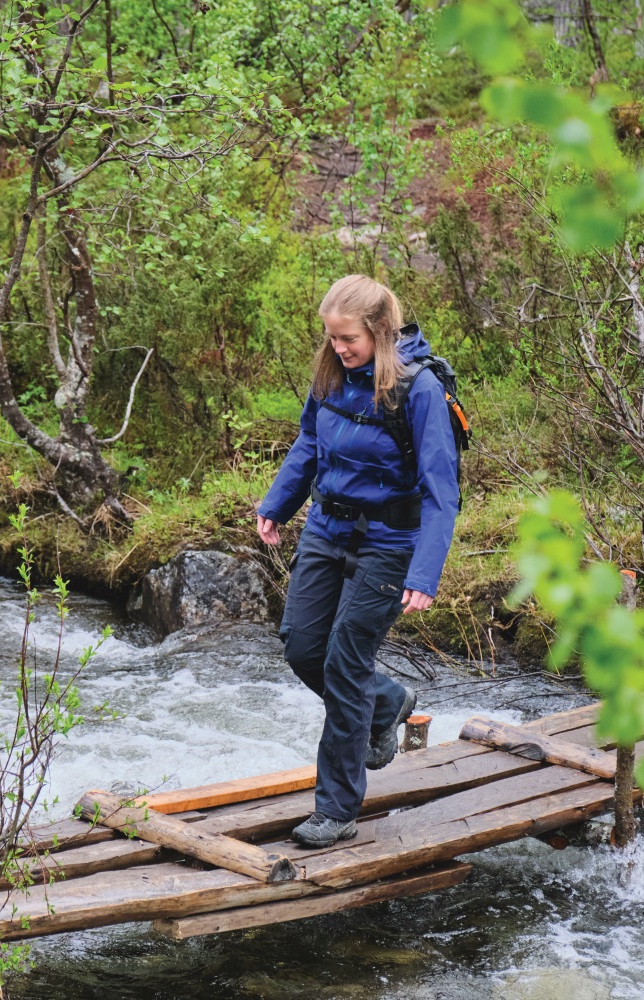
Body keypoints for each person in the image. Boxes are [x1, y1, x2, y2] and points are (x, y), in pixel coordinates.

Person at [257, 274, 461, 849]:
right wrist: (278, 504)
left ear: (379, 330)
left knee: (346, 664)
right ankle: (389, 700)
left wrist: (425, 573)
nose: (338, 349)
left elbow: (442, 492)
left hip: (390, 543)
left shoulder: (418, 390)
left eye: (347, 338)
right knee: (302, 647)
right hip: (326, 528)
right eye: (331, 337)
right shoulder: (330, 375)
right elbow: (307, 444)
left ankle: (337, 810)